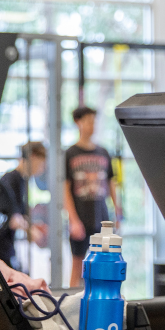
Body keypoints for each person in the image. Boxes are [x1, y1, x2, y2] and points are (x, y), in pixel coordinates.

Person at [65, 106, 120, 287]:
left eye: (94, 120)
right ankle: (72, 309)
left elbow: (111, 183)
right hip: (81, 216)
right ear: (78, 123)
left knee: (102, 265)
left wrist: (117, 213)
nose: (92, 125)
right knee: (77, 267)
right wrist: (73, 220)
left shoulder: (103, 152)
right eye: (88, 121)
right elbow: (65, 189)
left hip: (101, 217)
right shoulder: (70, 153)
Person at [0, 141, 47, 272]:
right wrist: (32, 232)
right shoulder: (11, 180)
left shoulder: (21, 181)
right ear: (33, 157)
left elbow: (19, 213)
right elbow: (12, 219)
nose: (42, 168)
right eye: (42, 163)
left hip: (7, 245)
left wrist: (33, 226)